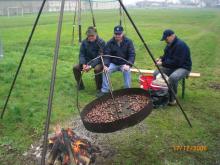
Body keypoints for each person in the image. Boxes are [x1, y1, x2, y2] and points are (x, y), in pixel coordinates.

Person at [154, 29, 192, 105]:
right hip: (173, 66)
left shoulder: (180, 45)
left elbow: (177, 62)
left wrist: (162, 63)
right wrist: (161, 58)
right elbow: (166, 56)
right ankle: (162, 93)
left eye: (166, 39)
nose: (165, 41)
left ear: (172, 36)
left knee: (173, 77)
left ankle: (172, 99)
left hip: (183, 67)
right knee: (156, 73)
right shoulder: (169, 44)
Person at [97, 25, 135, 97]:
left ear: (123, 33)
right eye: (116, 34)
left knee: (127, 71)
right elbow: (107, 55)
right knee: (105, 71)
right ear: (114, 34)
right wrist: (106, 65)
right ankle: (105, 90)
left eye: (119, 34)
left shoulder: (129, 42)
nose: (117, 36)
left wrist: (128, 64)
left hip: (124, 64)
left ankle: (127, 90)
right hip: (113, 64)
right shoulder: (110, 42)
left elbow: (132, 54)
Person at [73, 26, 105, 93]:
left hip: (98, 62)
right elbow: (82, 54)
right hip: (87, 61)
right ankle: (80, 86)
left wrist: (90, 66)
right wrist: (83, 64)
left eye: (92, 35)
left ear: (96, 34)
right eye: (89, 36)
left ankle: (99, 88)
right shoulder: (84, 42)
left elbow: (100, 57)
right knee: (75, 67)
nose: (90, 37)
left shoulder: (101, 42)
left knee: (97, 69)